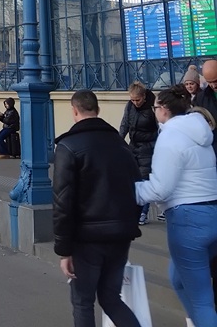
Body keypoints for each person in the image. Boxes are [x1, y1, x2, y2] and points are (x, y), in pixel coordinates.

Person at [53, 89, 142, 327]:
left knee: (83, 301)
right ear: (98, 110)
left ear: (73, 111)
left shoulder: (68, 146)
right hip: (120, 234)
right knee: (111, 297)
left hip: (87, 238)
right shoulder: (120, 144)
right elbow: (137, 189)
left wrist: (64, 250)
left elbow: (63, 202)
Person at [136, 84, 217, 327]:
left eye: (155, 107)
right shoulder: (201, 132)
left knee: (201, 298)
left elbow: (161, 188)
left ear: (163, 110)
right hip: (212, 212)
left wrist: (132, 190)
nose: (154, 111)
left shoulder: (170, 136)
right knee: (179, 280)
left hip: (187, 221)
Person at [118, 81, 158, 225]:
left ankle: (143, 212)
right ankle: (132, 209)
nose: (135, 103)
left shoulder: (153, 108)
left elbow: (158, 129)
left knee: (143, 180)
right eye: (132, 100)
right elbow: (125, 125)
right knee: (131, 179)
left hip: (148, 148)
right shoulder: (130, 106)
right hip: (133, 147)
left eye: (138, 100)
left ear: (144, 97)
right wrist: (119, 140)